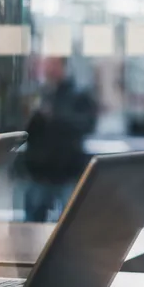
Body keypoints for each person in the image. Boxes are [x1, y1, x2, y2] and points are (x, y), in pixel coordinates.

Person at [21, 57, 97, 222]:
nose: (49, 69)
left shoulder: (78, 96)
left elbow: (86, 125)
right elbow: (26, 129)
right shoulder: (40, 94)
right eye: (48, 64)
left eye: (54, 64)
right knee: (32, 224)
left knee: (69, 224)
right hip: (39, 173)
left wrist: (54, 117)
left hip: (66, 173)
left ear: (63, 66)